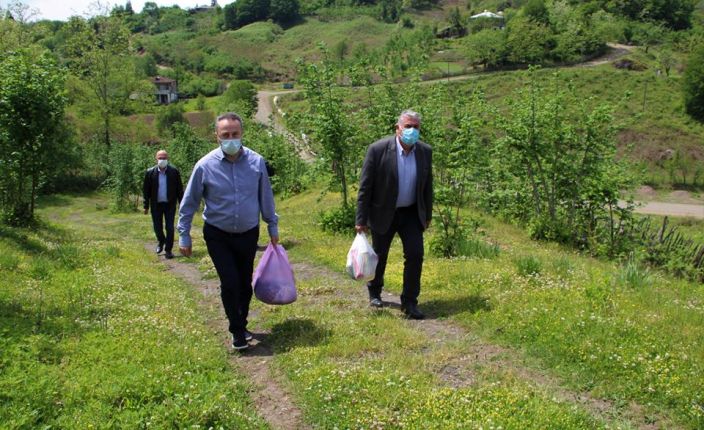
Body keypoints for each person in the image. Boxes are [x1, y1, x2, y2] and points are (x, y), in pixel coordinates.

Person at [178, 112, 279, 351]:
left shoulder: (256, 162)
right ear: (217, 136)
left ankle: (242, 322)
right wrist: (184, 235)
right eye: (226, 135)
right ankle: (236, 331)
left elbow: (265, 196)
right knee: (230, 281)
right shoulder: (204, 166)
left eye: (235, 134)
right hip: (217, 233)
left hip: (248, 232)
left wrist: (272, 225)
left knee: (245, 283)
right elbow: (189, 201)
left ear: (241, 134)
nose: (231, 139)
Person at [355, 109, 433, 320]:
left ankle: (409, 302)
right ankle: (375, 292)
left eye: (416, 127)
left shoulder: (425, 151)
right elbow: (365, 186)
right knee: (379, 254)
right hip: (383, 211)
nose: (412, 131)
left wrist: (427, 214)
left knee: (416, 255)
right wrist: (360, 219)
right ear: (397, 128)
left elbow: (428, 186)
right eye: (408, 126)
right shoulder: (378, 149)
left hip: (411, 213)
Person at [143, 149, 184, 259]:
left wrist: (182, 204)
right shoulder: (150, 172)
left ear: (168, 159)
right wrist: (146, 206)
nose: (162, 160)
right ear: (156, 159)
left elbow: (179, 189)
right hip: (156, 205)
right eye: (160, 158)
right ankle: (161, 241)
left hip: (170, 204)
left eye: (164, 158)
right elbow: (146, 191)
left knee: (170, 228)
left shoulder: (174, 172)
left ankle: (168, 250)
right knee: (157, 227)